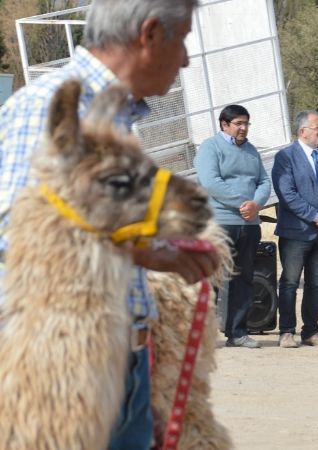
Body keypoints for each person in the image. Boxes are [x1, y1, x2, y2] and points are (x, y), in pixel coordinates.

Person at [0, 1, 220, 448]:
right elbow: (16, 236)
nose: (186, 59)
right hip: (60, 371)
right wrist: (147, 251)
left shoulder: (110, 114)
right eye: (183, 40)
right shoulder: (50, 108)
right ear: (151, 34)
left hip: (122, 363)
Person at [194, 105, 270, 349]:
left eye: (246, 123)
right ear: (224, 124)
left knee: (242, 278)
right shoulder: (210, 147)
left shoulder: (251, 151)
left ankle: (237, 332)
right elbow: (210, 182)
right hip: (220, 223)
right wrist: (241, 204)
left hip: (248, 225)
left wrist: (256, 204)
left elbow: (264, 181)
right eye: (238, 123)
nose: (243, 128)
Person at [272, 110, 318, 348]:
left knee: (316, 284)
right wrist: (315, 216)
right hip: (296, 232)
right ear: (303, 131)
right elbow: (287, 194)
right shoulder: (286, 158)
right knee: (290, 282)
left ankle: (311, 331)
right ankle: (286, 332)